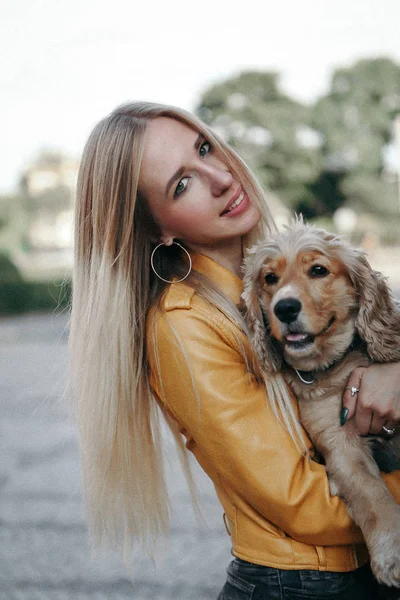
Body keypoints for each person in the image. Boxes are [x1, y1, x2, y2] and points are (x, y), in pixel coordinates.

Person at [70, 101, 400, 600]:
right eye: (182, 184)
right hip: (301, 586)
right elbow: (301, 503)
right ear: (157, 227)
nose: (221, 177)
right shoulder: (182, 326)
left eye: (206, 149)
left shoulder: (275, 272)